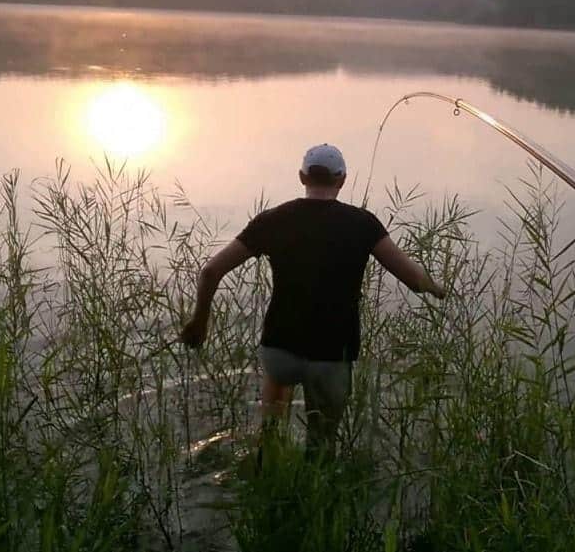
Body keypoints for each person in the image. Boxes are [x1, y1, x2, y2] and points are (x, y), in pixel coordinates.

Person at [180, 143, 446, 461]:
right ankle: (312, 500)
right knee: (321, 450)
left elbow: (211, 271)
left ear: (302, 177)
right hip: (331, 356)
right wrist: (437, 287)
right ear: (342, 180)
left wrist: (200, 323)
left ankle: (265, 489)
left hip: (279, 349)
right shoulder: (363, 223)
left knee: (269, 440)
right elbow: (415, 280)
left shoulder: (273, 220)